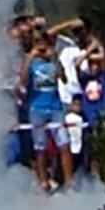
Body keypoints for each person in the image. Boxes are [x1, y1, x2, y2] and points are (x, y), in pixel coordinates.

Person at [20, 30, 74, 192]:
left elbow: (64, 78)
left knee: (64, 144)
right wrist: (31, 56)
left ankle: (69, 182)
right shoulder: (31, 63)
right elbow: (22, 80)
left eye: (44, 43)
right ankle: (44, 181)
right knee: (40, 146)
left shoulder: (52, 61)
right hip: (37, 108)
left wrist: (55, 58)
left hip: (55, 106)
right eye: (38, 43)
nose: (42, 46)